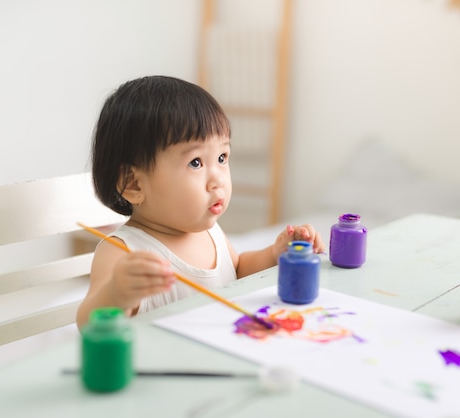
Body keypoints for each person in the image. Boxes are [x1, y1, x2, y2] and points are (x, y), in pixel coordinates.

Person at [76, 75, 325, 329]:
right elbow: (87, 323)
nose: (218, 179)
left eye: (222, 157)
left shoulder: (210, 232)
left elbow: (237, 270)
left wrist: (274, 255)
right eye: (196, 162)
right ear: (133, 184)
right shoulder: (123, 252)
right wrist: (118, 294)